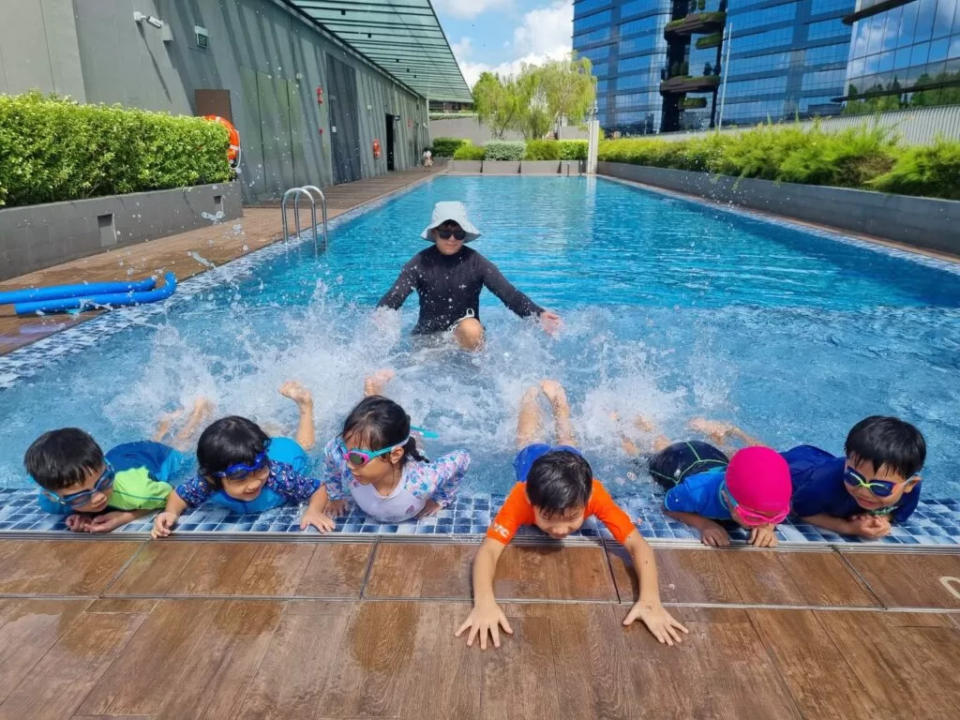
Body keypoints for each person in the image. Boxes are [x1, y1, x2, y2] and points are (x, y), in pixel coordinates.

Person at [456, 380, 687, 650]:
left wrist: (650, 601)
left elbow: (639, 546)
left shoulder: (592, 495)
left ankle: (559, 405)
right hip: (532, 463)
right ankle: (529, 397)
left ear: (585, 501)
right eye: (549, 519)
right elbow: (488, 552)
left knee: (567, 442)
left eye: (571, 519)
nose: (560, 530)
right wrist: (484, 604)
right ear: (532, 501)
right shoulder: (521, 497)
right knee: (527, 439)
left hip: (569, 464)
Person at [657, 415, 925, 540]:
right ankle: (722, 431)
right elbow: (801, 512)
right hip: (797, 466)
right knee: (756, 457)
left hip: (806, 465)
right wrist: (848, 528)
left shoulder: (909, 490)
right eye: (854, 478)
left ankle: (726, 432)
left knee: (754, 457)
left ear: (909, 484)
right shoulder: (819, 489)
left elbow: (896, 512)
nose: (864, 491)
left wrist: (884, 518)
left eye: (879, 487)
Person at [377, 201, 561, 351]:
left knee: (472, 328)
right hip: (428, 338)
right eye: (445, 232)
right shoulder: (419, 263)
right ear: (435, 232)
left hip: (467, 337)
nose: (451, 238)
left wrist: (539, 314)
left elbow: (509, 294)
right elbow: (396, 295)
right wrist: (381, 314)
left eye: (458, 233)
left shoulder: (476, 262)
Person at [151, 382, 327, 538]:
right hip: (252, 456)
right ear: (214, 477)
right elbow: (179, 495)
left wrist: (313, 511)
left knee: (304, 446)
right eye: (241, 478)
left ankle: (305, 407)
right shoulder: (207, 483)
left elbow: (319, 488)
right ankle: (202, 410)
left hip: (287, 452)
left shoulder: (279, 477)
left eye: (260, 471)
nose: (253, 484)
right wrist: (171, 513)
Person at [24, 398, 211, 533]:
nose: (97, 498)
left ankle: (198, 413)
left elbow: (172, 494)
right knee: (151, 443)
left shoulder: (137, 491)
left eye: (104, 482)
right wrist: (83, 515)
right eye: (80, 497)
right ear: (54, 496)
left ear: (104, 466)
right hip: (124, 456)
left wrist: (125, 517)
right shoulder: (50, 501)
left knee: (181, 444)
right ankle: (163, 427)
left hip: (158, 458)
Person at [311, 370, 470, 527]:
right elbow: (331, 450)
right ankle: (373, 396)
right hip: (383, 447)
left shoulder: (422, 483)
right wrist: (335, 495)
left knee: (383, 431)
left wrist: (441, 499)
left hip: (412, 453)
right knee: (369, 427)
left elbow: (462, 457)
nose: (349, 464)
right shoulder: (350, 465)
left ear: (395, 455)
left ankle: (374, 396)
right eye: (346, 452)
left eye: (357, 458)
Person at [620, 415, 792, 548]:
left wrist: (768, 528)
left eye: (774, 516)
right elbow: (668, 506)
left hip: (712, 456)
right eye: (754, 518)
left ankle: (721, 432)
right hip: (677, 462)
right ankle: (623, 428)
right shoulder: (696, 493)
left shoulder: (769, 498)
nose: (766, 522)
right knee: (639, 458)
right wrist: (704, 524)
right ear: (726, 497)